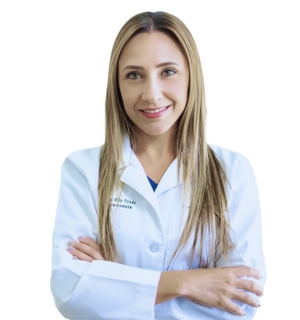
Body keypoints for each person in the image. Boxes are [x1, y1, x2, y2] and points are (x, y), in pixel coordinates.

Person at [51, 11, 266, 320]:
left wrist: (112, 278)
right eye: (134, 75)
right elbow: (70, 291)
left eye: (167, 72)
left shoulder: (232, 171)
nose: (152, 94)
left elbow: (243, 300)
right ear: (118, 85)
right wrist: (188, 283)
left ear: (191, 76)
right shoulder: (83, 169)